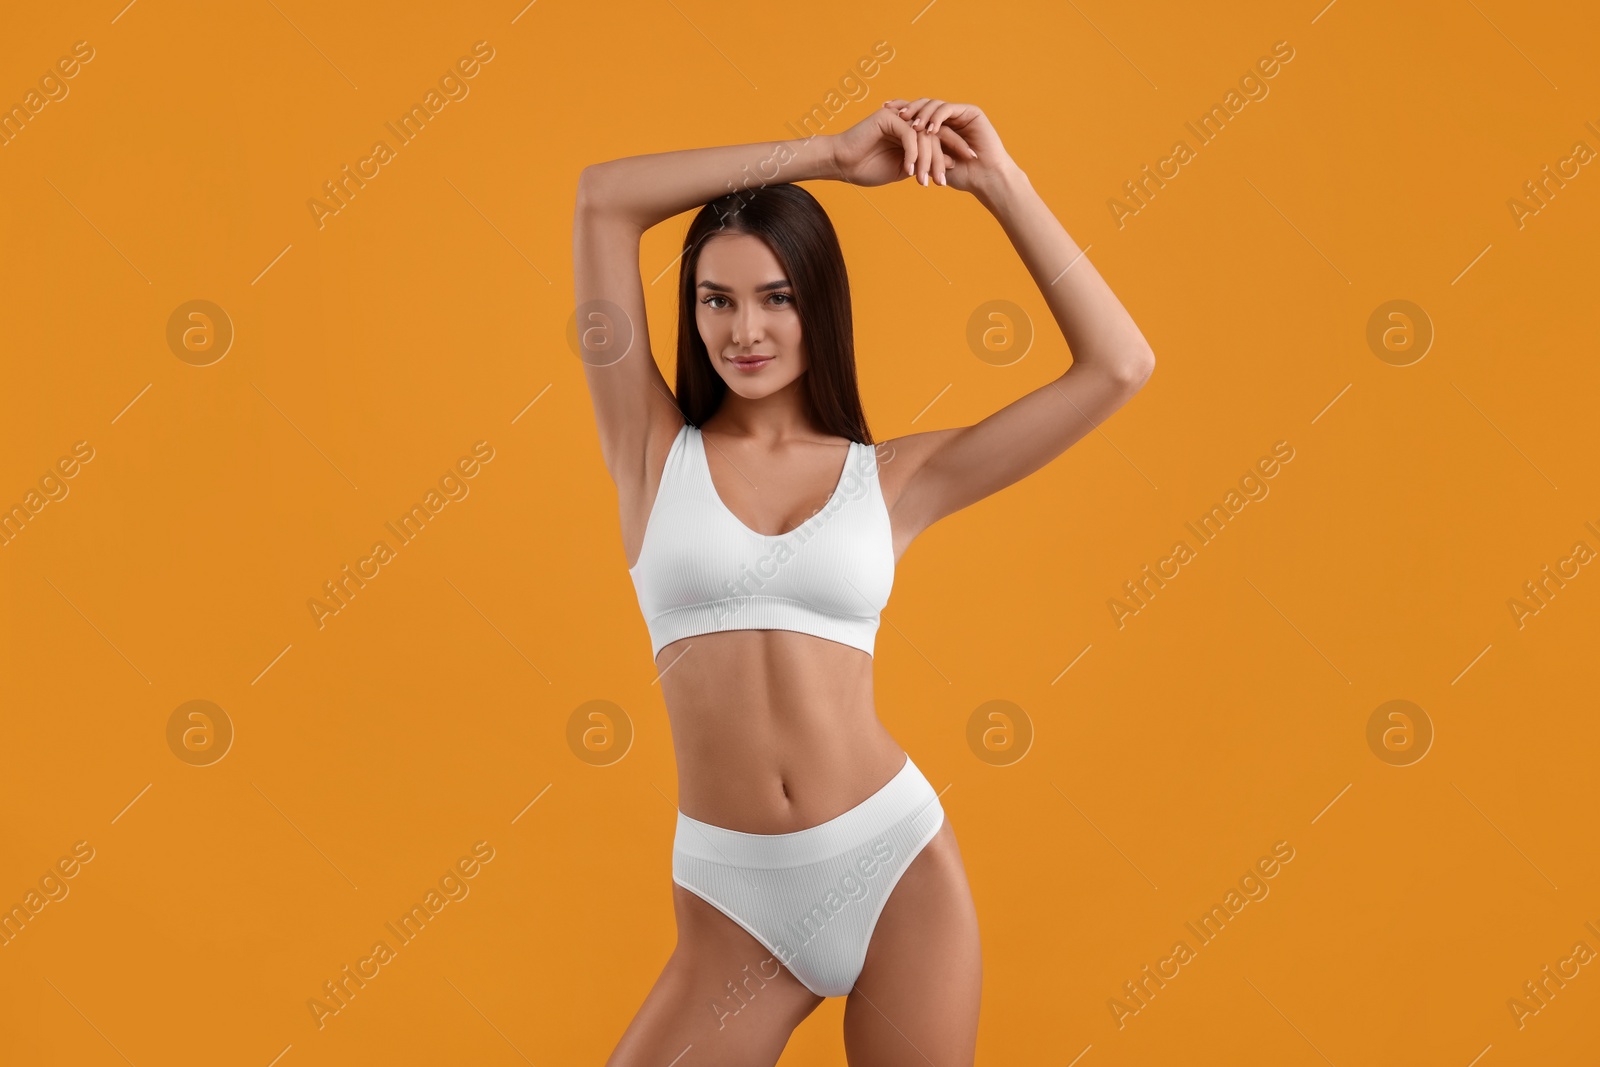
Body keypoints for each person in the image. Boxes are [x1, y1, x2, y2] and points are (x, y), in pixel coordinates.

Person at [575, 96, 1155, 1066]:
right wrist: (832, 158)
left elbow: (1118, 363)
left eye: (776, 295)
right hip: (733, 899)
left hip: (893, 866)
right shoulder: (647, 451)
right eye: (715, 298)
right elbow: (603, 202)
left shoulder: (894, 479)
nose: (743, 327)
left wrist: (996, 183)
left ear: (818, 303)